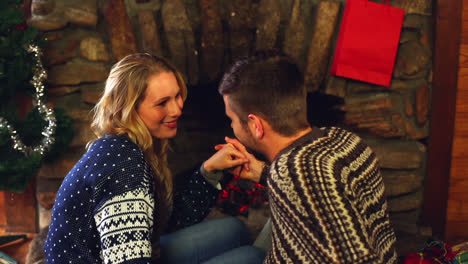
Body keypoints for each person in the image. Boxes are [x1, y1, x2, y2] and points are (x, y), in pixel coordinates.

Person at [43, 53, 265, 264]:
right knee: (252, 257)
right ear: (128, 108)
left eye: (178, 95)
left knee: (235, 230)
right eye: (162, 103)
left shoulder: (124, 144)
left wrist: (208, 172)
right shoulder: (124, 166)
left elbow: (164, 225)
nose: (177, 109)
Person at [215, 50, 398, 263]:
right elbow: (327, 194)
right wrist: (263, 173)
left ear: (256, 125)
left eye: (232, 119)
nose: (231, 125)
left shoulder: (293, 172)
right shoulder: (343, 139)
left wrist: (277, 175)